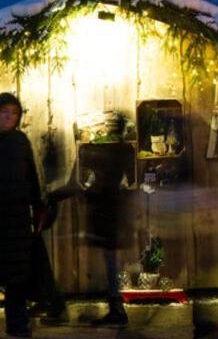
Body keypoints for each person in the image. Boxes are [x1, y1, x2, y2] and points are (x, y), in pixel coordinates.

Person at [0, 93, 43, 339]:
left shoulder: (20, 140)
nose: (9, 116)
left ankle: (17, 324)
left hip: (17, 216)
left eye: (14, 113)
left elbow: (31, 174)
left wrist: (37, 205)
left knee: (18, 273)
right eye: (5, 111)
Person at [85, 112, 130, 327]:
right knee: (110, 263)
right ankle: (116, 308)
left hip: (107, 216)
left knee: (110, 264)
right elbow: (125, 180)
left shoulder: (108, 153)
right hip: (114, 214)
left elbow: (100, 184)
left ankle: (116, 310)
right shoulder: (124, 151)